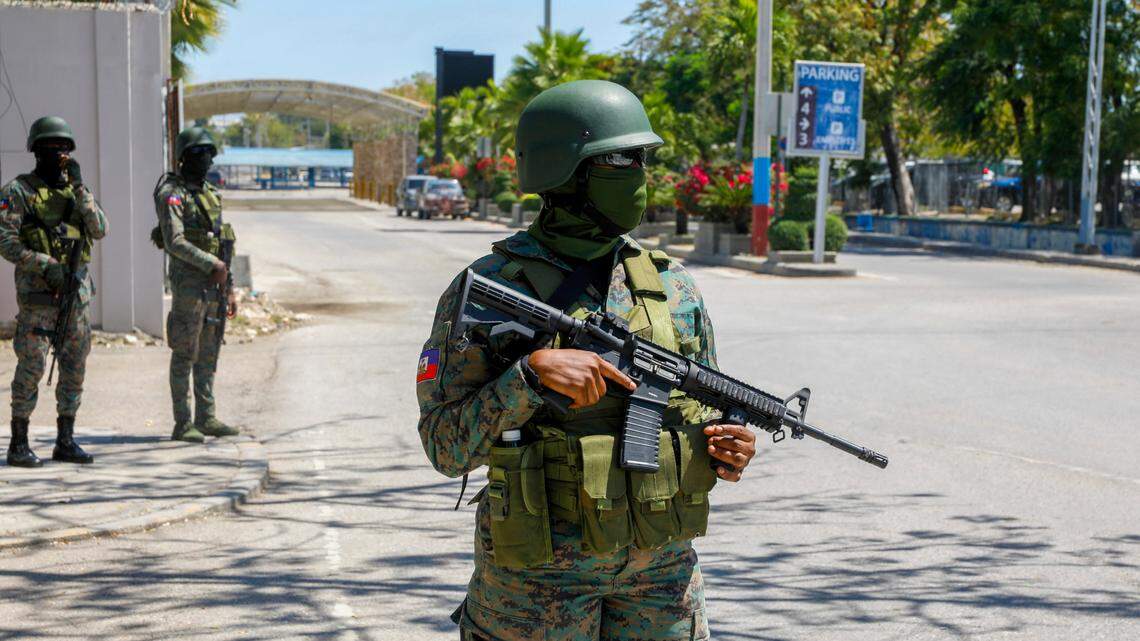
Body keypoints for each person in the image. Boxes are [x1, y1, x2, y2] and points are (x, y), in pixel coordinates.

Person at [417, 80, 758, 641]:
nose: (644, 178)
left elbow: (708, 409)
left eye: (645, 161)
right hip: (534, 585)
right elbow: (445, 447)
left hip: (661, 575)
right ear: (566, 174)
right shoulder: (488, 288)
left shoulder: (672, 286)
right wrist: (529, 378)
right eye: (626, 161)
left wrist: (729, 445)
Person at [1, 116, 107, 467]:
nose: (58, 153)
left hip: (76, 297)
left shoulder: (77, 192)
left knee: (74, 367)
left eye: (63, 147)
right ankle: (18, 443)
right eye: (51, 147)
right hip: (38, 297)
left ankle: (66, 439)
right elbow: (5, 240)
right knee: (31, 366)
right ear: (36, 150)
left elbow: (100, 228)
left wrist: (79, 187)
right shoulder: (18, 191)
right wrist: (45, 264)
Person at [153, 127, 238, 444]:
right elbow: (174, 241)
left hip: (214, 286)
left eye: (209, 153)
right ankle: (182, 422)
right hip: (189, 286)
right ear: (184, 157)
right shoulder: (172, 194)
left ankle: (206, 416)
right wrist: (210, 264)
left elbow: (224, 244)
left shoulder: (212, 195)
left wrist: (229, 286)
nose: (207, 159)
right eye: (200, 153)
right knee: (184, 353)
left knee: (208, 353)